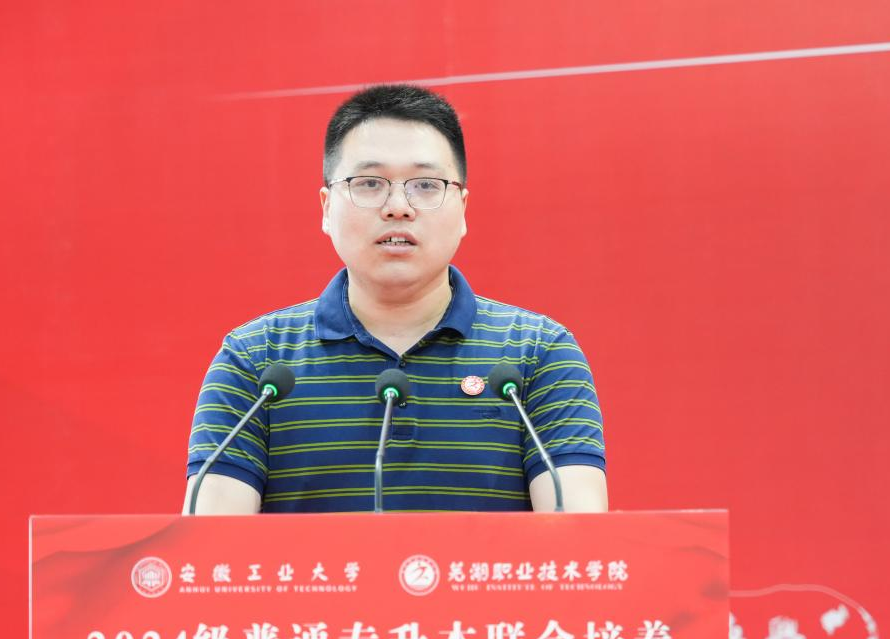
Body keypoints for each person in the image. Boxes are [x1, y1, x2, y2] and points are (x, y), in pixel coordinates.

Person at [185, 84, 606, 514]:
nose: (398, 207)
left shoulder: (538, 353)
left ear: (462, 209)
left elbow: (578, 538)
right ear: (326, 209)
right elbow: (211, 546)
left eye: (425, 184)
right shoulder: (256, 361)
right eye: (370, 183)